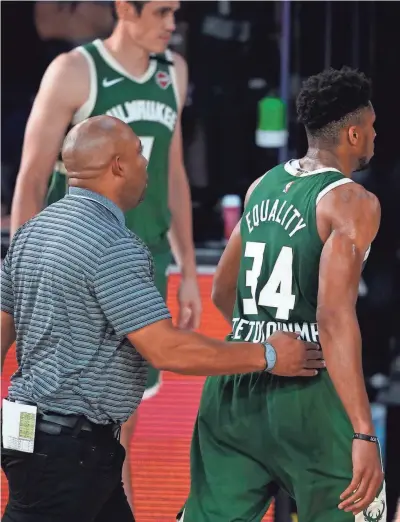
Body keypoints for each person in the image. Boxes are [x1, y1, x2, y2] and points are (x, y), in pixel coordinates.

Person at [0, 115, 325, 522]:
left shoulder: (32, 232)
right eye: (139, 153)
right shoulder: (112, 245)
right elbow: (165, 348)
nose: (145, 165)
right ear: (117, 166)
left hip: (36, 439)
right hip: (68, 450)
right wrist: (270, 356)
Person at [10, 0, 201, 506]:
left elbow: (172, 172)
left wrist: (184, 267)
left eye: (174, 13)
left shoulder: (173, 71)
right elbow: (30, 178)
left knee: (119, 427)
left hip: (142, 260)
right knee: (72, 417)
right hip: (78, 263)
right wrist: (30, 267)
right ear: (124, 8)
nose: (171, 24)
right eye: (161, 12)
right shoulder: (74, 71)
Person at [178, 67, 386, 522]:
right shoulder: (353, 202)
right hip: (308, 391)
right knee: (358, 510)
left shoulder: (261, 187)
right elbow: (333, 319)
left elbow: (222, 292)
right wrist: (364, 433)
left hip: (238, 384)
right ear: (353, 133)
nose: (375, 135)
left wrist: (266, 338)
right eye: (371, 127)